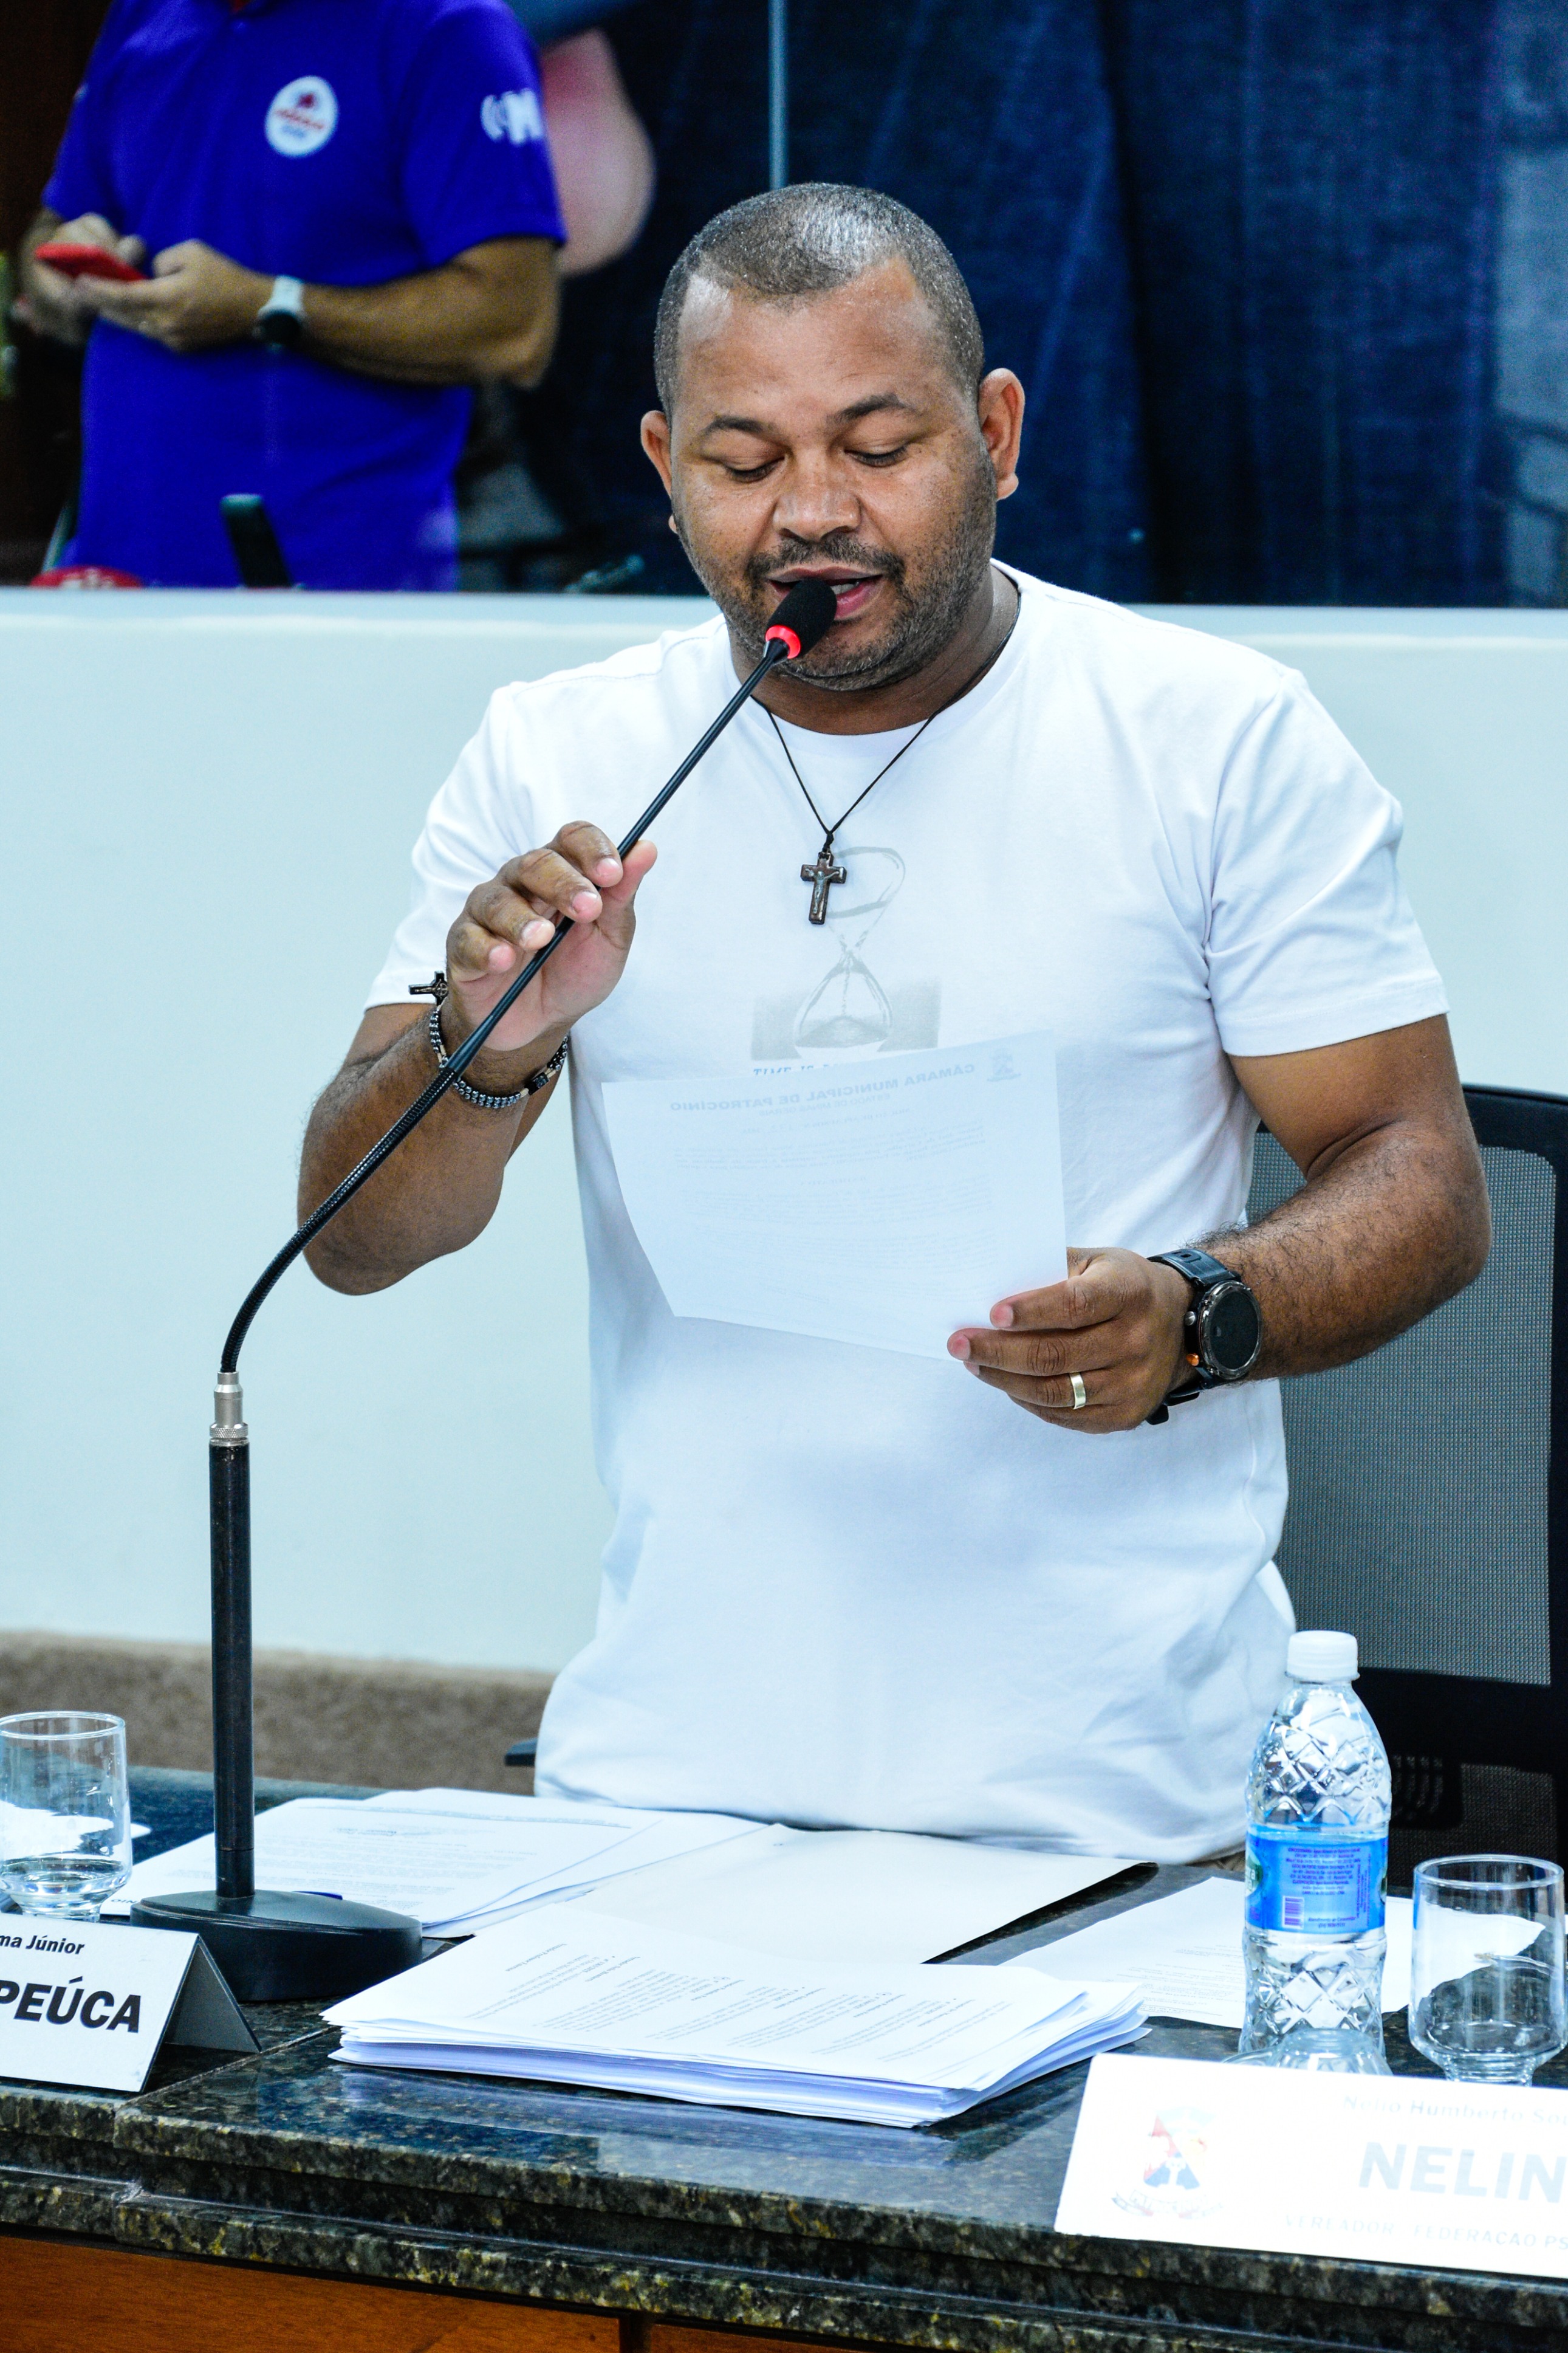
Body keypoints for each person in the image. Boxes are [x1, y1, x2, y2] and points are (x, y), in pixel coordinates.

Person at [298, 185, 1490, 1861]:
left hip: (1112, 1809)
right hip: (665, 1792)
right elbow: (349, 1241)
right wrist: (481, 1049)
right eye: (743, 462)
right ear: (663, 468)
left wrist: (1197, 1313)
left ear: (993, 433)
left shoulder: (1211, 740)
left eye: (875, 447)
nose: (811, 515)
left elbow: (1420, 1181)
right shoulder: (555, 753)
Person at [17, 0, 567, 589]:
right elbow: (51, 230)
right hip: (113, 577)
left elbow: (515, 329)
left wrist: (268, 306)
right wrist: (56, 271)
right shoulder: (144, 14)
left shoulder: (450, 28)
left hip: (335, 589)